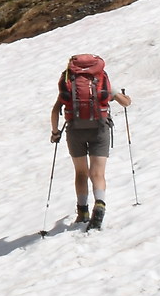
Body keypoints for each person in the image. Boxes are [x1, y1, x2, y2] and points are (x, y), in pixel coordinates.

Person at [49, 54, 130, 231]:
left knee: (80, 172)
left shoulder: (69, 81)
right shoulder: (101, 79)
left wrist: (55, 133)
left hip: (75, 130)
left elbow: (56, 110)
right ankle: (100, 203)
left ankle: (83, 211)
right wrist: (122, 96)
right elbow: (126, 103)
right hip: (100, 129)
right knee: (98, 173)